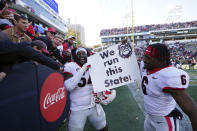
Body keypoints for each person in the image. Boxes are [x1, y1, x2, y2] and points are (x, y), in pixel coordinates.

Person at [140, 43, 197, 131]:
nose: (144, 60)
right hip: (149, 117)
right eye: (144, 56)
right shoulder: (145, 65)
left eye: (148, 58)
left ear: (160, 60)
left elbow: (191, 109)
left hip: (164, 121)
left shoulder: (168, 76)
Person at [63, 47, 108, 131]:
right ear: (75, 56)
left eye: (83, 53)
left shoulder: (93, 66)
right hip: (78, 108)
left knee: (103, 127)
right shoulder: (70, 66)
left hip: (94, 105)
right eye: (78, 54)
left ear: (87, 55)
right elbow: (69, 86)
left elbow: (103, 82)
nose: (81, 56)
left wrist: (106, 95)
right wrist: (83, 69)